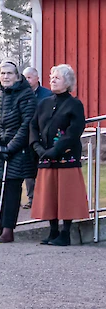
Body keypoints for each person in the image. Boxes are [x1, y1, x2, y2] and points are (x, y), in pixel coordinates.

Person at [30, 64, 89, 246]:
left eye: (58, 77)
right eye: (52, 77)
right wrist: (38, 148)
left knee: (66, 194)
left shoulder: (74, 104)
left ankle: (65, 233)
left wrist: (55, 150)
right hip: (45, 156)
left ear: (68, 82)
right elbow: (33, 126)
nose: (53, 80)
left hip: (66, 157)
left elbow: (74, 131)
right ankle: (53, 230)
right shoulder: (44, 103)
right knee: (49, 194)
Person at [0, 60, 37, 243]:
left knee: (12, 189)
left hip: (18, 151)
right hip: (0, 151)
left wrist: (11, 147)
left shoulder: (26, 95)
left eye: (9, 73)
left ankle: (8, 229)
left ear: (17, 76)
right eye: (2, 73)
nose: (6, 77)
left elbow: (26, 125)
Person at [22, 66, 53, 209]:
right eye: (25, 77)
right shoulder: (21, 94)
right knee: (29, 169)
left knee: (44, 168)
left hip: (44, 136)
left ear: (37, 78)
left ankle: (45, 199)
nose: (27, 80)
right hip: (27, 136)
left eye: (29, 77)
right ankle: (31, 198)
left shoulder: (47, 95)